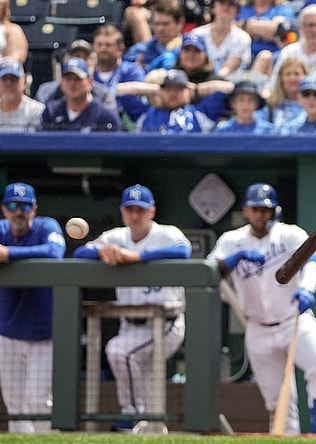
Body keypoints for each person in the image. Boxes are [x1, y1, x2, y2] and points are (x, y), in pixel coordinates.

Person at [207, 183, 316, 434]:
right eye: (255, 209)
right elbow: (210, 272)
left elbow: (313, 263)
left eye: (265, 210)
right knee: (277, 402)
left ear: (274, 211)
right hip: (258, 328)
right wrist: (234, 259)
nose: (260, 215)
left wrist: (307, 288)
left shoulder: (289, 235)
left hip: (294, 320)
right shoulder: (232, 240)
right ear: (245, 210)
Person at [73, 184, 191, 431]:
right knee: (142, 376)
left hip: (166, 324)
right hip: (131, 323)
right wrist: (103, 252)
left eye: (141, 209)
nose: (135, 215)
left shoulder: (166, 233)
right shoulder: (115, 236)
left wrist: (135, 257)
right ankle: (152, 429)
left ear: (152, 212)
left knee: (119, 352)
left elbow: (184, 251)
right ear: (123, 212)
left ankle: (131, 414)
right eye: (130, 210)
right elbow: (80, 253)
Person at [0, 182, 65, 433]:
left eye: (25, 206)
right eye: (13, 206)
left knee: (38, 402)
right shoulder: (1, 229)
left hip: (43, 333)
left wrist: (9, 254)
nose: (19, 211)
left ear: (34, 209)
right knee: (15, 404)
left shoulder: (46, 226)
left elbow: (55, 251)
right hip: (7, 332)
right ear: (5, 209)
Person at [40, 59, 122, 132]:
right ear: (61, 84)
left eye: (78, 79)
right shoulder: (51, 112)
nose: (72, 84)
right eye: (68, 79)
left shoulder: (105, 116)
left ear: (89, 83)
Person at [91, 25, 149, 122]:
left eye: (108, 45)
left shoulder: (132, 71)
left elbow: (136, 106)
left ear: (120, 49)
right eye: (99, 44)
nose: (103, 48)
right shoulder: (87, 74)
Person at [135, 69, 218, 133]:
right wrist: (155, 89)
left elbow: (227, 88)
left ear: (188, 91)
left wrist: (196, 89)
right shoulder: (146, 114)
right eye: (168, 89)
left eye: (178, 89)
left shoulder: (199, 114)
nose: (172, 94)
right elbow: (122, 91)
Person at [235, 0, 297, 78]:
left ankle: (251, 87)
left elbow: (279, 31)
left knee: (265, 56)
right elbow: (233, 28)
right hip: (244, 54)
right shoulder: (242, 9)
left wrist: (247, 25)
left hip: (273, 54)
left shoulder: (283, 9)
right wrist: (267, 30)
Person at [190, 0, 252, 77]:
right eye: (222, 3)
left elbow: (229, 68)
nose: (225, 7)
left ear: (237, 11)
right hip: (200, 78)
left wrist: (212, 81)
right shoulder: (197, 34)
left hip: (230, 83)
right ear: (213, 7)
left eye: (231, 5)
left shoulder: (242, 37)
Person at [123, 0, 185, 72]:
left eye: (166, 24)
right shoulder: (139, 51)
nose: (160, 29)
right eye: (157, 24)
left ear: (180, 22)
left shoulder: (190, 50)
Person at [257, 57, 307, 132]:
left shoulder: (312, 105)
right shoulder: (270, 106)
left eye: (297, 74)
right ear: (281, 78)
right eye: (288, 74)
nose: (292, 78)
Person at [0, 59, 44, 133]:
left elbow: (31, 142)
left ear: (24, 83)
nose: (9, 83)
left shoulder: (36, 110)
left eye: (13, 79)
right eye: (4, 79)